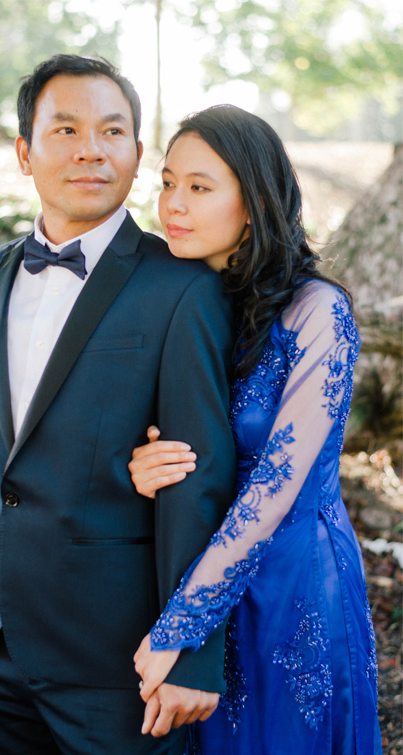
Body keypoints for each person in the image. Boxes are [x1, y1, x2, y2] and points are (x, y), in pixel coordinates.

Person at [0, 54, 237, 755]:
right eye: (65, 129)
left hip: (119, 656)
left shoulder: (181, 287)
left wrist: (189, 648)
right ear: (24, 153)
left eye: (113, 131)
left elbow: (201, 480)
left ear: (134, 154)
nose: (91, 149)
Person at [130, 105, 382, 753]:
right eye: (166, 182)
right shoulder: (186, 299)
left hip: (293, 579)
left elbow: (278, 481)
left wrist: (181, 624)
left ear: (255, 201)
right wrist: (139, 465)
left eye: (200, 186)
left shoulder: (317, 311)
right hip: (203, 564)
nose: (172, 204)